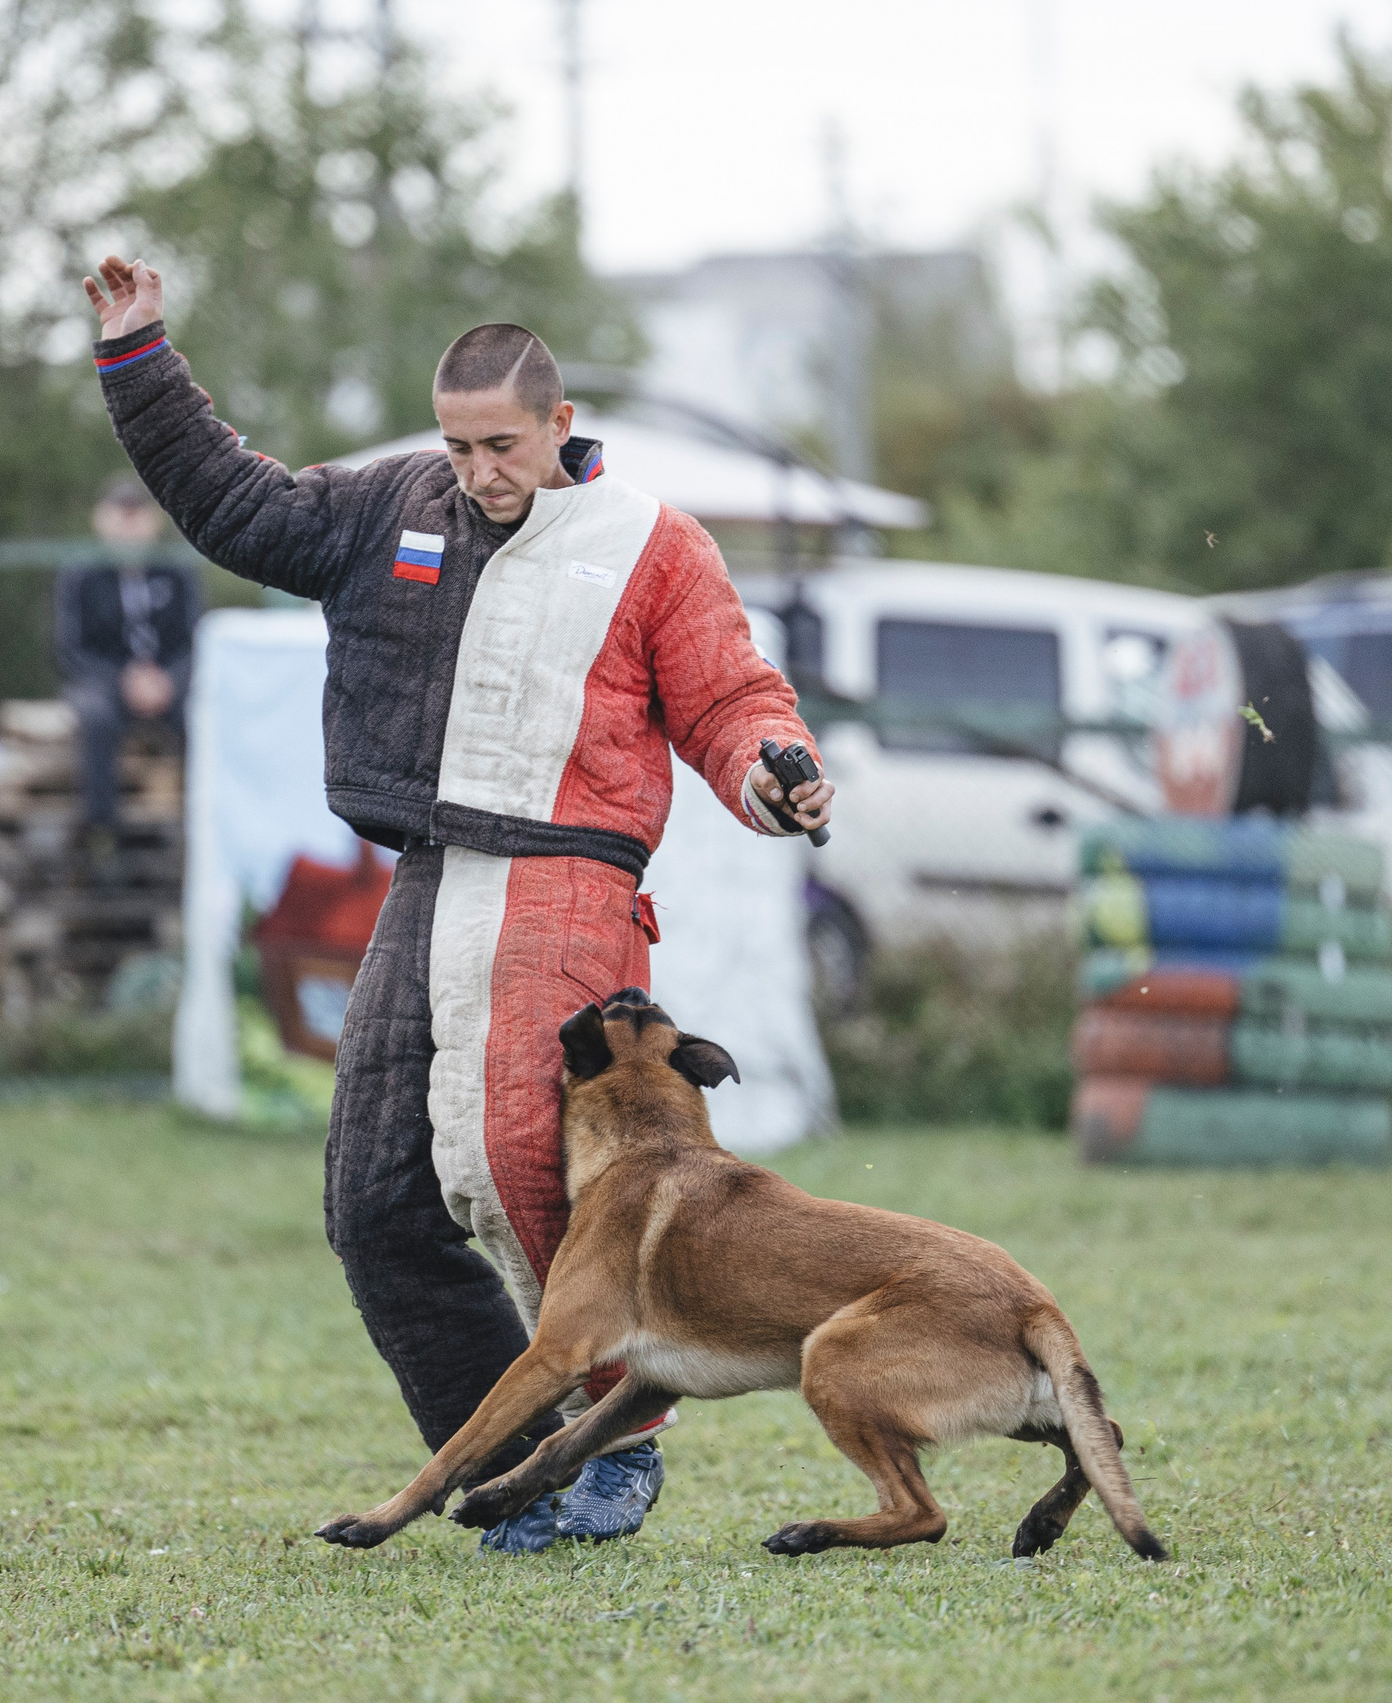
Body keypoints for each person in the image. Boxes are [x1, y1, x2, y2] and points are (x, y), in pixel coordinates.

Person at [80, 256, 833, 1552]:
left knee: (507, 1166)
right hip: (431, 880)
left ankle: (621, 1431)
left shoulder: (655, 544)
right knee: (372, 1206)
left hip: (567, 878)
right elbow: (236, 506)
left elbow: (727, 700)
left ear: (558, 427)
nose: (478, 469)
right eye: (458, 443)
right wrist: (140, 355)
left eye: (500, 444)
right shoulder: (394, 508)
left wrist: (777, 771)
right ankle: (514, 1461)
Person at [54, 477, 199, 847]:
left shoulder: (176, 572)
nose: (129, 525)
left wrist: (169, 681)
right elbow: (71, 648)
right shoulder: (81, 575)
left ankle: (197, 823)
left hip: (167, 686)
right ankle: (104, 836)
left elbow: (194, 640)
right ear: (100, 521)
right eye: (121, 515)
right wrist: (123, 680)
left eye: (137, 515)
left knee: (203, 717)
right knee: (95, 719)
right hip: (107, 685)